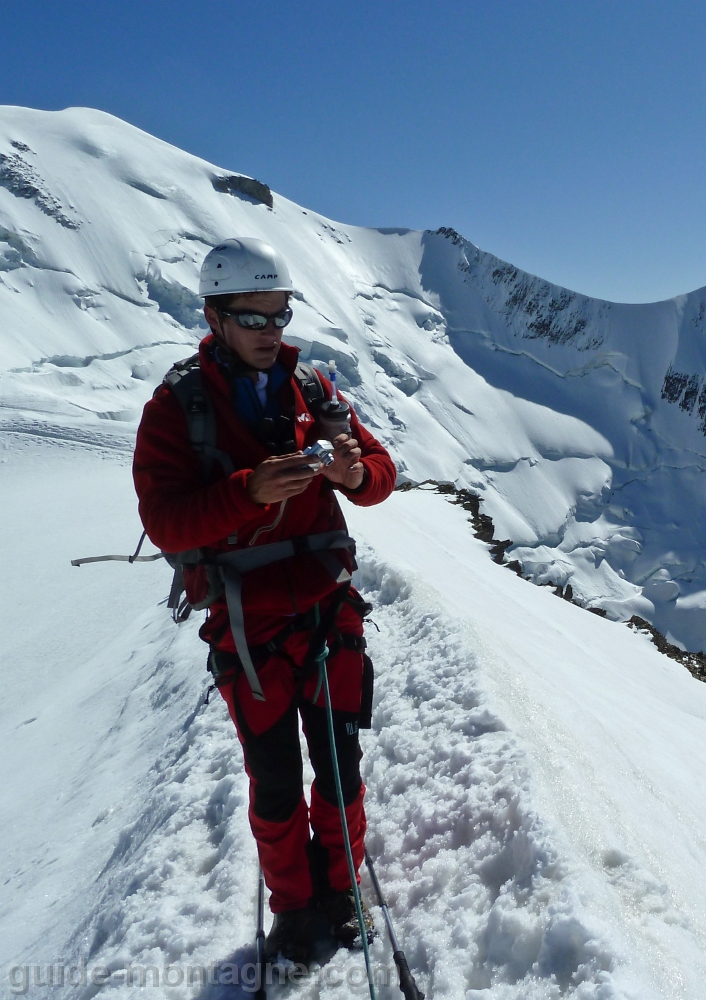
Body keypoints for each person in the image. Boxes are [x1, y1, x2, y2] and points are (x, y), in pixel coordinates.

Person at [133, 238, 397, 965]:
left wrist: (351, 475)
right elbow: (165, 521)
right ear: (215, 317)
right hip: (248, 622)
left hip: (325, 605)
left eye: (279, 315)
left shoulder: (312, 388)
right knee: (275, 776)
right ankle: (293, 905)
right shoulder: (177, 406)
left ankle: (338, 893)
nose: (270, 331)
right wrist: (245, 493)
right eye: (253, 318)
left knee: (339, 764)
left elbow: (380, 474)